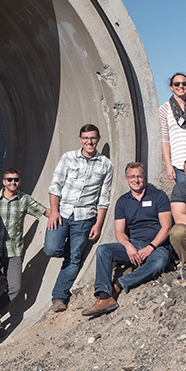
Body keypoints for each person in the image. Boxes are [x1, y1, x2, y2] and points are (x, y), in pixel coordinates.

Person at [83, 162, 172, 317]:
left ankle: (119, 285)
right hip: (134, 243)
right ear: (126, 179)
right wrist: (128, 245)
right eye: (132, 176)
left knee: (161, 260)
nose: (135, 180)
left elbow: (166, 227)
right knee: (103, 250)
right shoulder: (122, 201)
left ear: (144, 177)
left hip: (157, 245)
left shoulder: (159, 196)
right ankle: (104, 296)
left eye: (138, 176)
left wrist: (151, 246)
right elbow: (119, 232)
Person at [44, 124, 113, 312]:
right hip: (62, 213)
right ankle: (67, 246)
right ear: (80, 139)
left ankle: (59, 298)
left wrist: (98, 224)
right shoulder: (68, 157)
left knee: (74, 259)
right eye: (86, 138)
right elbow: (55, 185)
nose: (89, 141)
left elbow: (103, 198)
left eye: (93, 138)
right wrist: (54, 211)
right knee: (51, 249)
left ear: (98, 139)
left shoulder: (105, 164)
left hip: (85, 218)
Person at [0, 168, 49, 335]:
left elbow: (45, 212)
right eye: (9, 179)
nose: (12, 182)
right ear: (3, 181)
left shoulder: (24, 200)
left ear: (19, 181)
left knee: (14, 287)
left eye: (16, 180)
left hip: (13, 252)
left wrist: (60, 216)